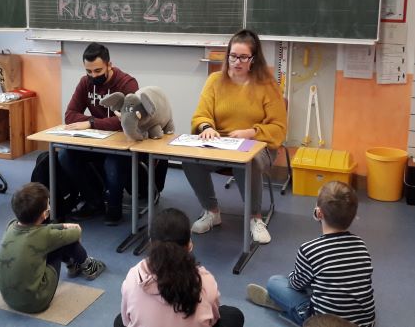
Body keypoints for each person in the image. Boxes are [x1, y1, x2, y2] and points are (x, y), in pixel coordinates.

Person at [183, 29, 287, 243]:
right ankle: (211, 211)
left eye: (243, 57)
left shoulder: (267, 86)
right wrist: (206, 127)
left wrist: (252, 132)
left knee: (247, 161)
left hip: (258, 146)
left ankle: (255, 218)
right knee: (189, 159)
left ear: (253, 59)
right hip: (221, 143)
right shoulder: (214, 80)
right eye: (233, 56)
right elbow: (201, 114)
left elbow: (279, 127)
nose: (237, 62)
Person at [246, 181, 375, 327]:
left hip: (323, 323)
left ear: (318, 213)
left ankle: (293, 310)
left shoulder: (309, 249)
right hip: (365, 324)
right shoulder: (361, 244)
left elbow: (295, 284)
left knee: (275, 282)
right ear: (353, 215)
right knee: (322, 281)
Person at [118, 208, 244, 327]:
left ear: (151, 242)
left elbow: (126, 320)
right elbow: (213, 319)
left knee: (119, 321)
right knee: (233, 315)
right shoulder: (205, 280)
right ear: (189, 245)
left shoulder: (134, 277)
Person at [59, 42, 139, 225]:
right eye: (89, 71)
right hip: (96, 141)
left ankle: (114, 207)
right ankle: (93, 200)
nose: (93, 76)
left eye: (97, 71)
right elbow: (70, 115)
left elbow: (127, 120)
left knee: (113, 162)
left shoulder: (127, 83)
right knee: (65, 155)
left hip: (122, 144)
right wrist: (103, 123)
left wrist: (91, 123)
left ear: (109, 65)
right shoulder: (85, 82)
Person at [0, 183, 105, 314]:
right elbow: (76, 233)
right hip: (36, 302)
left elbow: (41, 230)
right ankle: (89, 266)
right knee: (64, 241)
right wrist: (71, 227)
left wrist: (62, 226)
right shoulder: (44, 236)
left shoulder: (11, 225)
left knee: (55, 238)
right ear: (44, 214)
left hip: (8, 299)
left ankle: (73, 266)